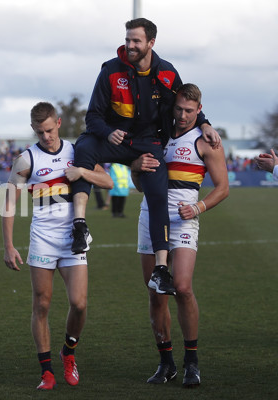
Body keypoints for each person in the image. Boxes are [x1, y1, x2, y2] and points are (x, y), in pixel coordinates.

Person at [68, 18, 221, 296]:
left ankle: (161, 270)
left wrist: (206, 123)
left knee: (157, 191)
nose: (130, 45)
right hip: (114, 139)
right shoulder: (111, 70)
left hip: (148, 144)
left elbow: (186, 102)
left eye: (136, 41)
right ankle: (79, 225)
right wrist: (107, 131)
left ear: (151, 43)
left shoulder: (167, 73)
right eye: (127, 40)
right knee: (84, 147)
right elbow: (92, 116)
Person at [3, 102, 113, 390]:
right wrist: (9, 245)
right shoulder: (26, 160)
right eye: (40, 132)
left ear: (59, 123)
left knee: (79, 303)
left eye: (50, 130)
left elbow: (107, 180)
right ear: (33, 130)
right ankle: (46, 371)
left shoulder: (77, 151)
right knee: (41, 304)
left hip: (72, 237)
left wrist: (82, 172)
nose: (47, 137)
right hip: (42, 237)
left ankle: (68, 352)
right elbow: (9, 204)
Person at [132, 83, 229, 388]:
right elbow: (138, 183)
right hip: (151, 216)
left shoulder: (206, 141)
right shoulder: (157, 136)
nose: (183, 115)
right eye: (179, 109)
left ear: (200, 110)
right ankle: (166, 362)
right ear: (172, 108)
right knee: (156, 291)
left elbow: (223, 187)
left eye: (190, 110)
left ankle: (192, 362)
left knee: (183, 288)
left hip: (185, 220)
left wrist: (199, 206)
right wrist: (136, 165)